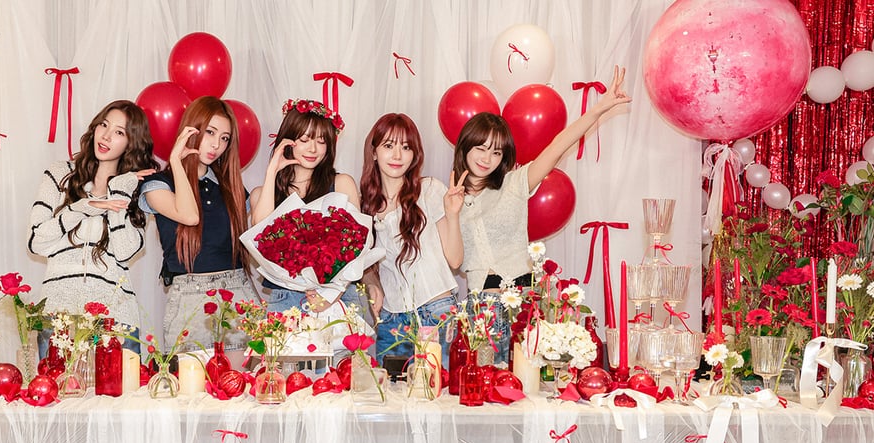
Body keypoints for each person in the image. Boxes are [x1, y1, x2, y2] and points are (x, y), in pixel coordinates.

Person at [453, 65, 630, 362]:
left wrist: (599, 108)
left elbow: (558, 145)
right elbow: (453, 260)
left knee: (529, 381)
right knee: (485, 384)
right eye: (481, 148)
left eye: (496, 152)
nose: (487, 158)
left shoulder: (514, 183)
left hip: (523, 303)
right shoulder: (448, 199)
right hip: (481, 309)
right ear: (465, 147)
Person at [28, 99, 155, 355]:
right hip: (59, 315)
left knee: (120, 384)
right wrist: (82, 208)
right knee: (58, 382)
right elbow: (37, 242)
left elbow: (125, 252)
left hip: (114, 317)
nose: (106, 136)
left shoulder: (133, 188)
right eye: (104, 125)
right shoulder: (59, 174)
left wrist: (118, 190)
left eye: (119, 132)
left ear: (131, 143)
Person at [140, 96, 259, 349]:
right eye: (210, 132)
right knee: (190, 376)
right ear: (191, 130)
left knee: (245, 376)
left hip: (238, 293)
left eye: (225, 138)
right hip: (189, 299)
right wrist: (176, 162)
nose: (217, 144)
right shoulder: (158, 185)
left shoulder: (231, 188)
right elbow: (190, 216)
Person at [359, 112, 466, 364]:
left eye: (406, 147)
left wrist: (452, 215)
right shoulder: (365, 207)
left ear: (414, 154)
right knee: (392, 388)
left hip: (436, 311)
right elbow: (366, 265)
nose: (397, 155)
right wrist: (372, 284)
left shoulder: (429, 190)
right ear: (374, 152)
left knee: (438, 387)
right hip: (392, 319)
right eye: (389, 146)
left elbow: (455, 260)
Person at [249, 99, 370, 317]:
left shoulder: (341, 184)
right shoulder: (262, 193)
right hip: (285, 299)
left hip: (338, 299)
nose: (313, 149)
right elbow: (260, 235)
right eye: (304, 140)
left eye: (321, 141)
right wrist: (272, 172)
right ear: (287, 140)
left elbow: (356, 247)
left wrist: (330, 295)